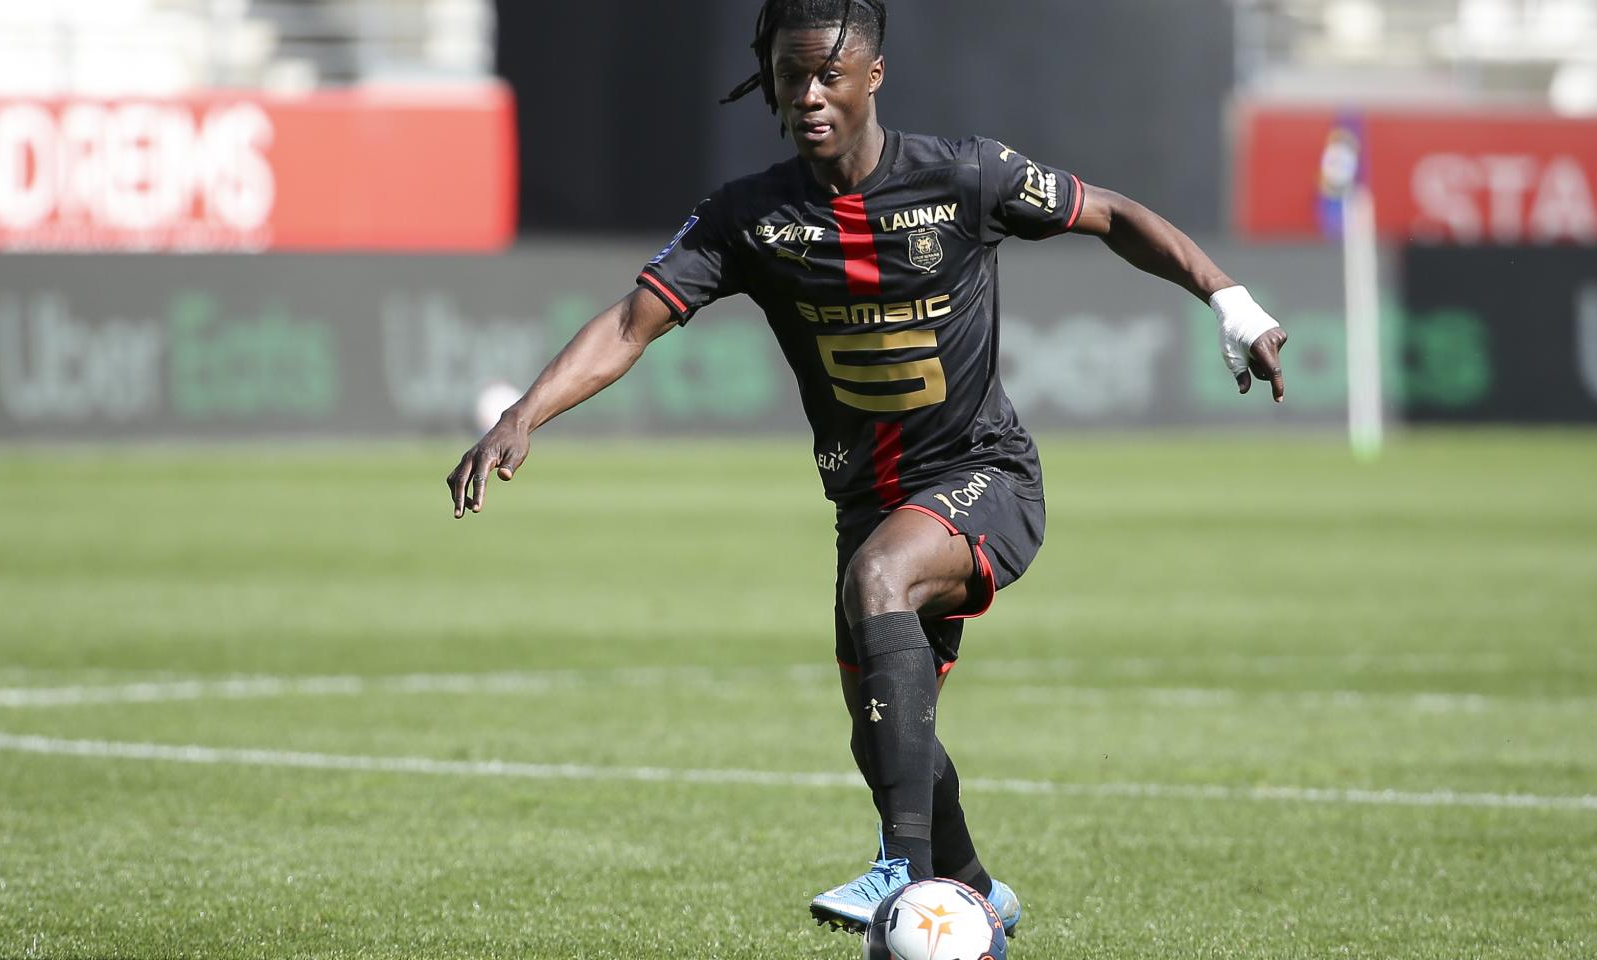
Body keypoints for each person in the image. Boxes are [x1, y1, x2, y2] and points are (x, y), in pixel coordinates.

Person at [446, 0, 1288, 938]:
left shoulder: (965, 175)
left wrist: (1232, 301)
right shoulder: (750, 218)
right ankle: (973, 890)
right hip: (868, 501)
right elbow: (628, 322)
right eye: (790, 76)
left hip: (986, 475)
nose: (809, 94)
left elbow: (1113, 215)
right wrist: (525, 412)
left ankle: (903, 870)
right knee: (889, 730)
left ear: (872, 77)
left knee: (880, 580)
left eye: (828, 76)